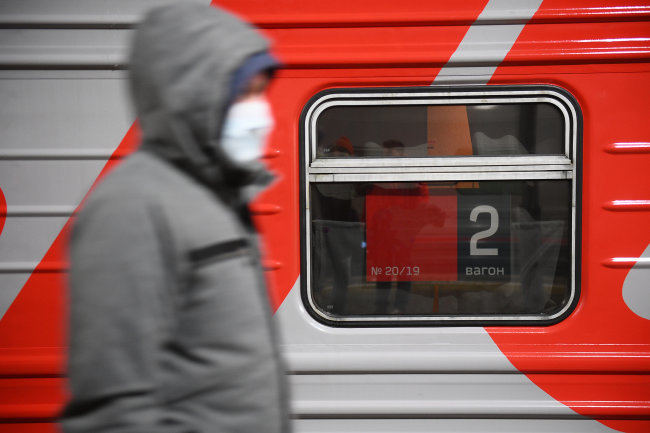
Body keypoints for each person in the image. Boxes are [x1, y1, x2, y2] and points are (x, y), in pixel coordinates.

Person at [60, 4, 291, 433]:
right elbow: (114, 410)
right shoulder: (131, 205)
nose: (261, 113)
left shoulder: (217, 198)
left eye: (262, 92)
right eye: (244, 93)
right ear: (191, 94)